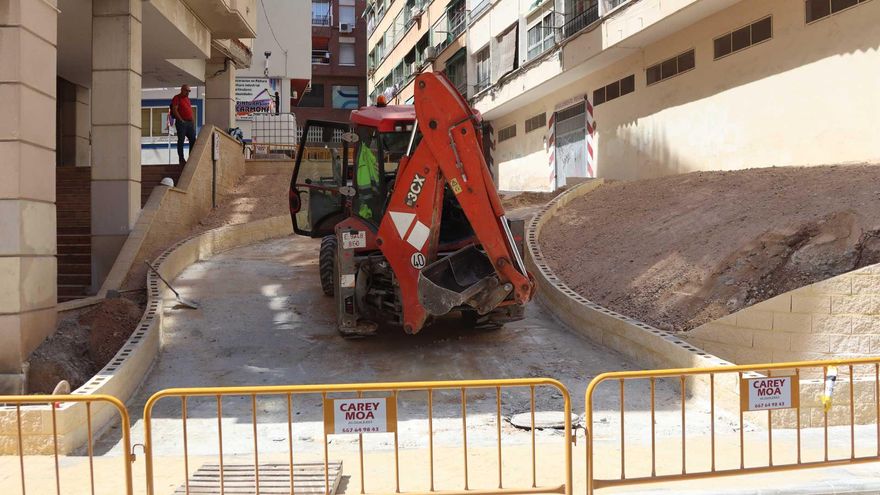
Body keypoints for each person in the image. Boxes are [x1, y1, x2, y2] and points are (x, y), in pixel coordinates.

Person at [171, 85, 197, 165]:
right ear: (182, 90)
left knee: (193, 139)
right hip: (182, 123)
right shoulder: (177, 98)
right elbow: (174, 110)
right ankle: (181, 159)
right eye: (187, 90)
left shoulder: (187, 99)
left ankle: (191, 158)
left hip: (189, 123)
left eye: (189, 91)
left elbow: (189, 110)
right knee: (181, 141)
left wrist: (192, 121)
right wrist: (181, 120)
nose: (188, 92)